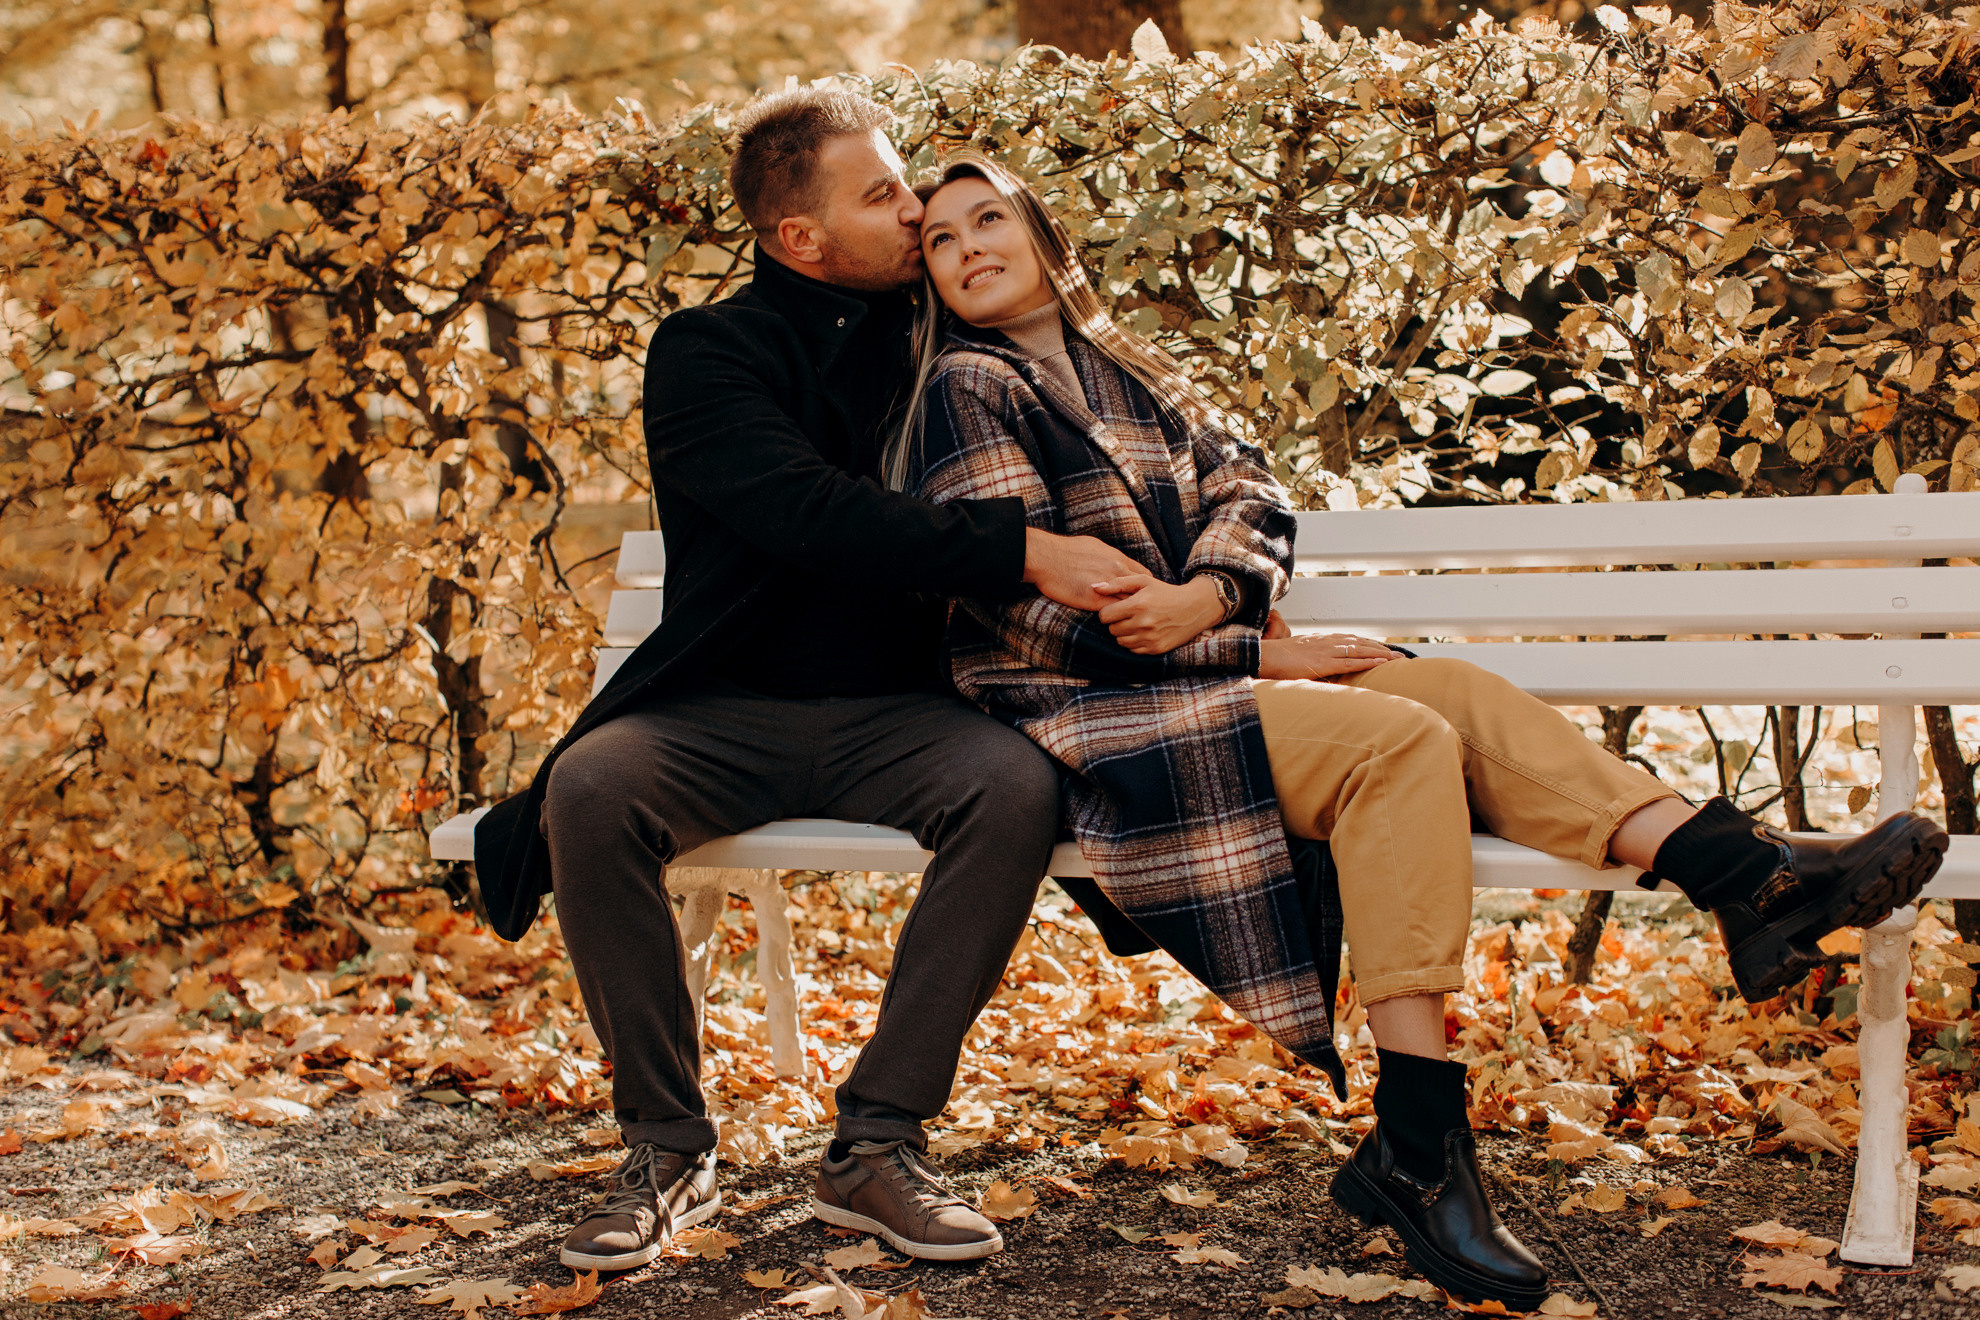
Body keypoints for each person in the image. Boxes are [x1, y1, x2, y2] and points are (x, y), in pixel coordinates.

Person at [898, 152, 1950, 1310]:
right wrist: (1258, 646)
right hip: (1097, 721)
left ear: (1046, 234)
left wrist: (1214, 597)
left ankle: (1739, 874)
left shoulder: (1139, 371)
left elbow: (1252, 498)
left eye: (989, 218)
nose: (968, 249)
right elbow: (1023, 602)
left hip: (1202, 680)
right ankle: (1419, 1136)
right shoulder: (968, 389)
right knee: (1395, 739)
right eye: (941, 241)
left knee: (1438, 684)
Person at [469, 92, 1159, 1270]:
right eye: (884, 196)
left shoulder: (948, 339)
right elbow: (807, 511)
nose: (915, 213)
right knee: (588, 788)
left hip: (912, 711)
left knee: (1013, 789)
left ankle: (878, 1147)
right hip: (718, 711)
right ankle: (665, 1147)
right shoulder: (709, 352)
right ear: (801, 238)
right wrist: (1021, 549)